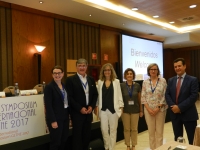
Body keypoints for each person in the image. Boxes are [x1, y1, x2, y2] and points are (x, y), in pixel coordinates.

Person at [65, 58, 98, 150]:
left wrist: (92, 106)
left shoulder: (91, 79)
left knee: (86, 136)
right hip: (77, 113)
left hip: (88, 112)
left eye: (84, 65)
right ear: (76, 67)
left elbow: (95, 94)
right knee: (77, 137)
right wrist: (80, 108)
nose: (82, 68)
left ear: (86, 67)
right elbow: (69, 97)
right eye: (80, 66)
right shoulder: (70, 80)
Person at [165, 58, 199, 145]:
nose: (177, 68)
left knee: (192, 140)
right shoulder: (171, 80)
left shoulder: (193, 80)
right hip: (175, 115)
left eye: (179, 66)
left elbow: (193, 96)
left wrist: (179, 107)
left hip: (189, 114)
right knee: (177, 139)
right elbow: (167, 94)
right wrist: (173, 106)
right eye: (175, 67)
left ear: (184, 66)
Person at [97, 63, 124, 150]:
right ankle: (106, 147)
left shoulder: (116, 82)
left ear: (111, 71)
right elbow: (98, 97)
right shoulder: (100, 82)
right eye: (105, 70)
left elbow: (119, 95)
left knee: (113, 130)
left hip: (113, 110)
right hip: (103, 110)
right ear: (103, 72)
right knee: (104, 130)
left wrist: (121, 107)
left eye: (109, 70)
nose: (107, 72)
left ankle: (112, 148)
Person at [141, 63, 167, 150]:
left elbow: (165, 95)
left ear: (157, 71)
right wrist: (148, 109)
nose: (153, 71)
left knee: (159, 133)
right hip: (148, 111)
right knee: (151, 133)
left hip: (160, 110)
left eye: (155, 69)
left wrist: (158, 108)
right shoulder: (145, 82)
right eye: (151, 69)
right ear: (149, 71)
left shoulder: (163, 81)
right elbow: (143, 96)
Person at [44, 65, 69, 150]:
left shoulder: (64, 86)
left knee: (63, 140)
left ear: (63, 74)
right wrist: (53, 121)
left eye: (59, 73)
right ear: (52, 75)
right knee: (56, 142)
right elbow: (48, 105)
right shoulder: (49, 87)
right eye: (55, 73)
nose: (57, 75)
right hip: (55, 119)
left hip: (64, 118)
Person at [120, 68, 143, 150]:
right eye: (128, 74)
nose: (129, 75)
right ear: (125, 76)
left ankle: (133, 145)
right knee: (126, 129)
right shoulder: (121, 85)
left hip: (135, 110)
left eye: (131, 74)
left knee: (134, 129)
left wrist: (141, 110)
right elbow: (119, 99)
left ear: (133, 75)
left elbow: (139, 99)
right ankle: (127, 145)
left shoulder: (137, 85)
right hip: (125, 111)